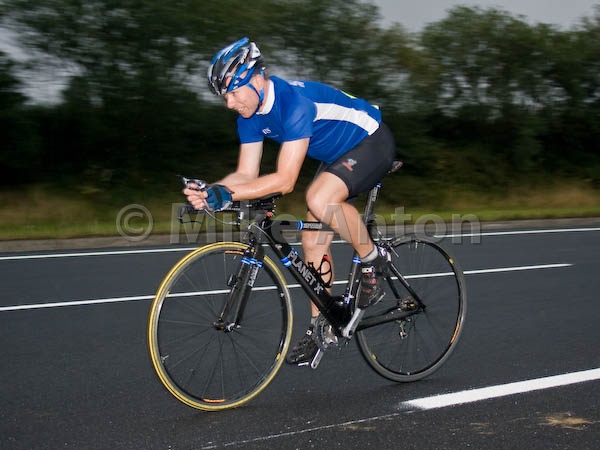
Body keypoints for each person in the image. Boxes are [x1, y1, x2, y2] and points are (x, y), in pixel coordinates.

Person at [184, 37, 397, 366]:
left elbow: (285, 181)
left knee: (318, 197)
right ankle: (321, 325)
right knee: (312, 239)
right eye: (224, 96)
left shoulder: (294, 102)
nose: (229, 103)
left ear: (257, 80)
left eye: (233, 92)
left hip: (372, 141)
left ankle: (373, 259)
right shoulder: (249, 116)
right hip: (339, 156)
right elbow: (245, 174)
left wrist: (230, 194)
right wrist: (212, 191)